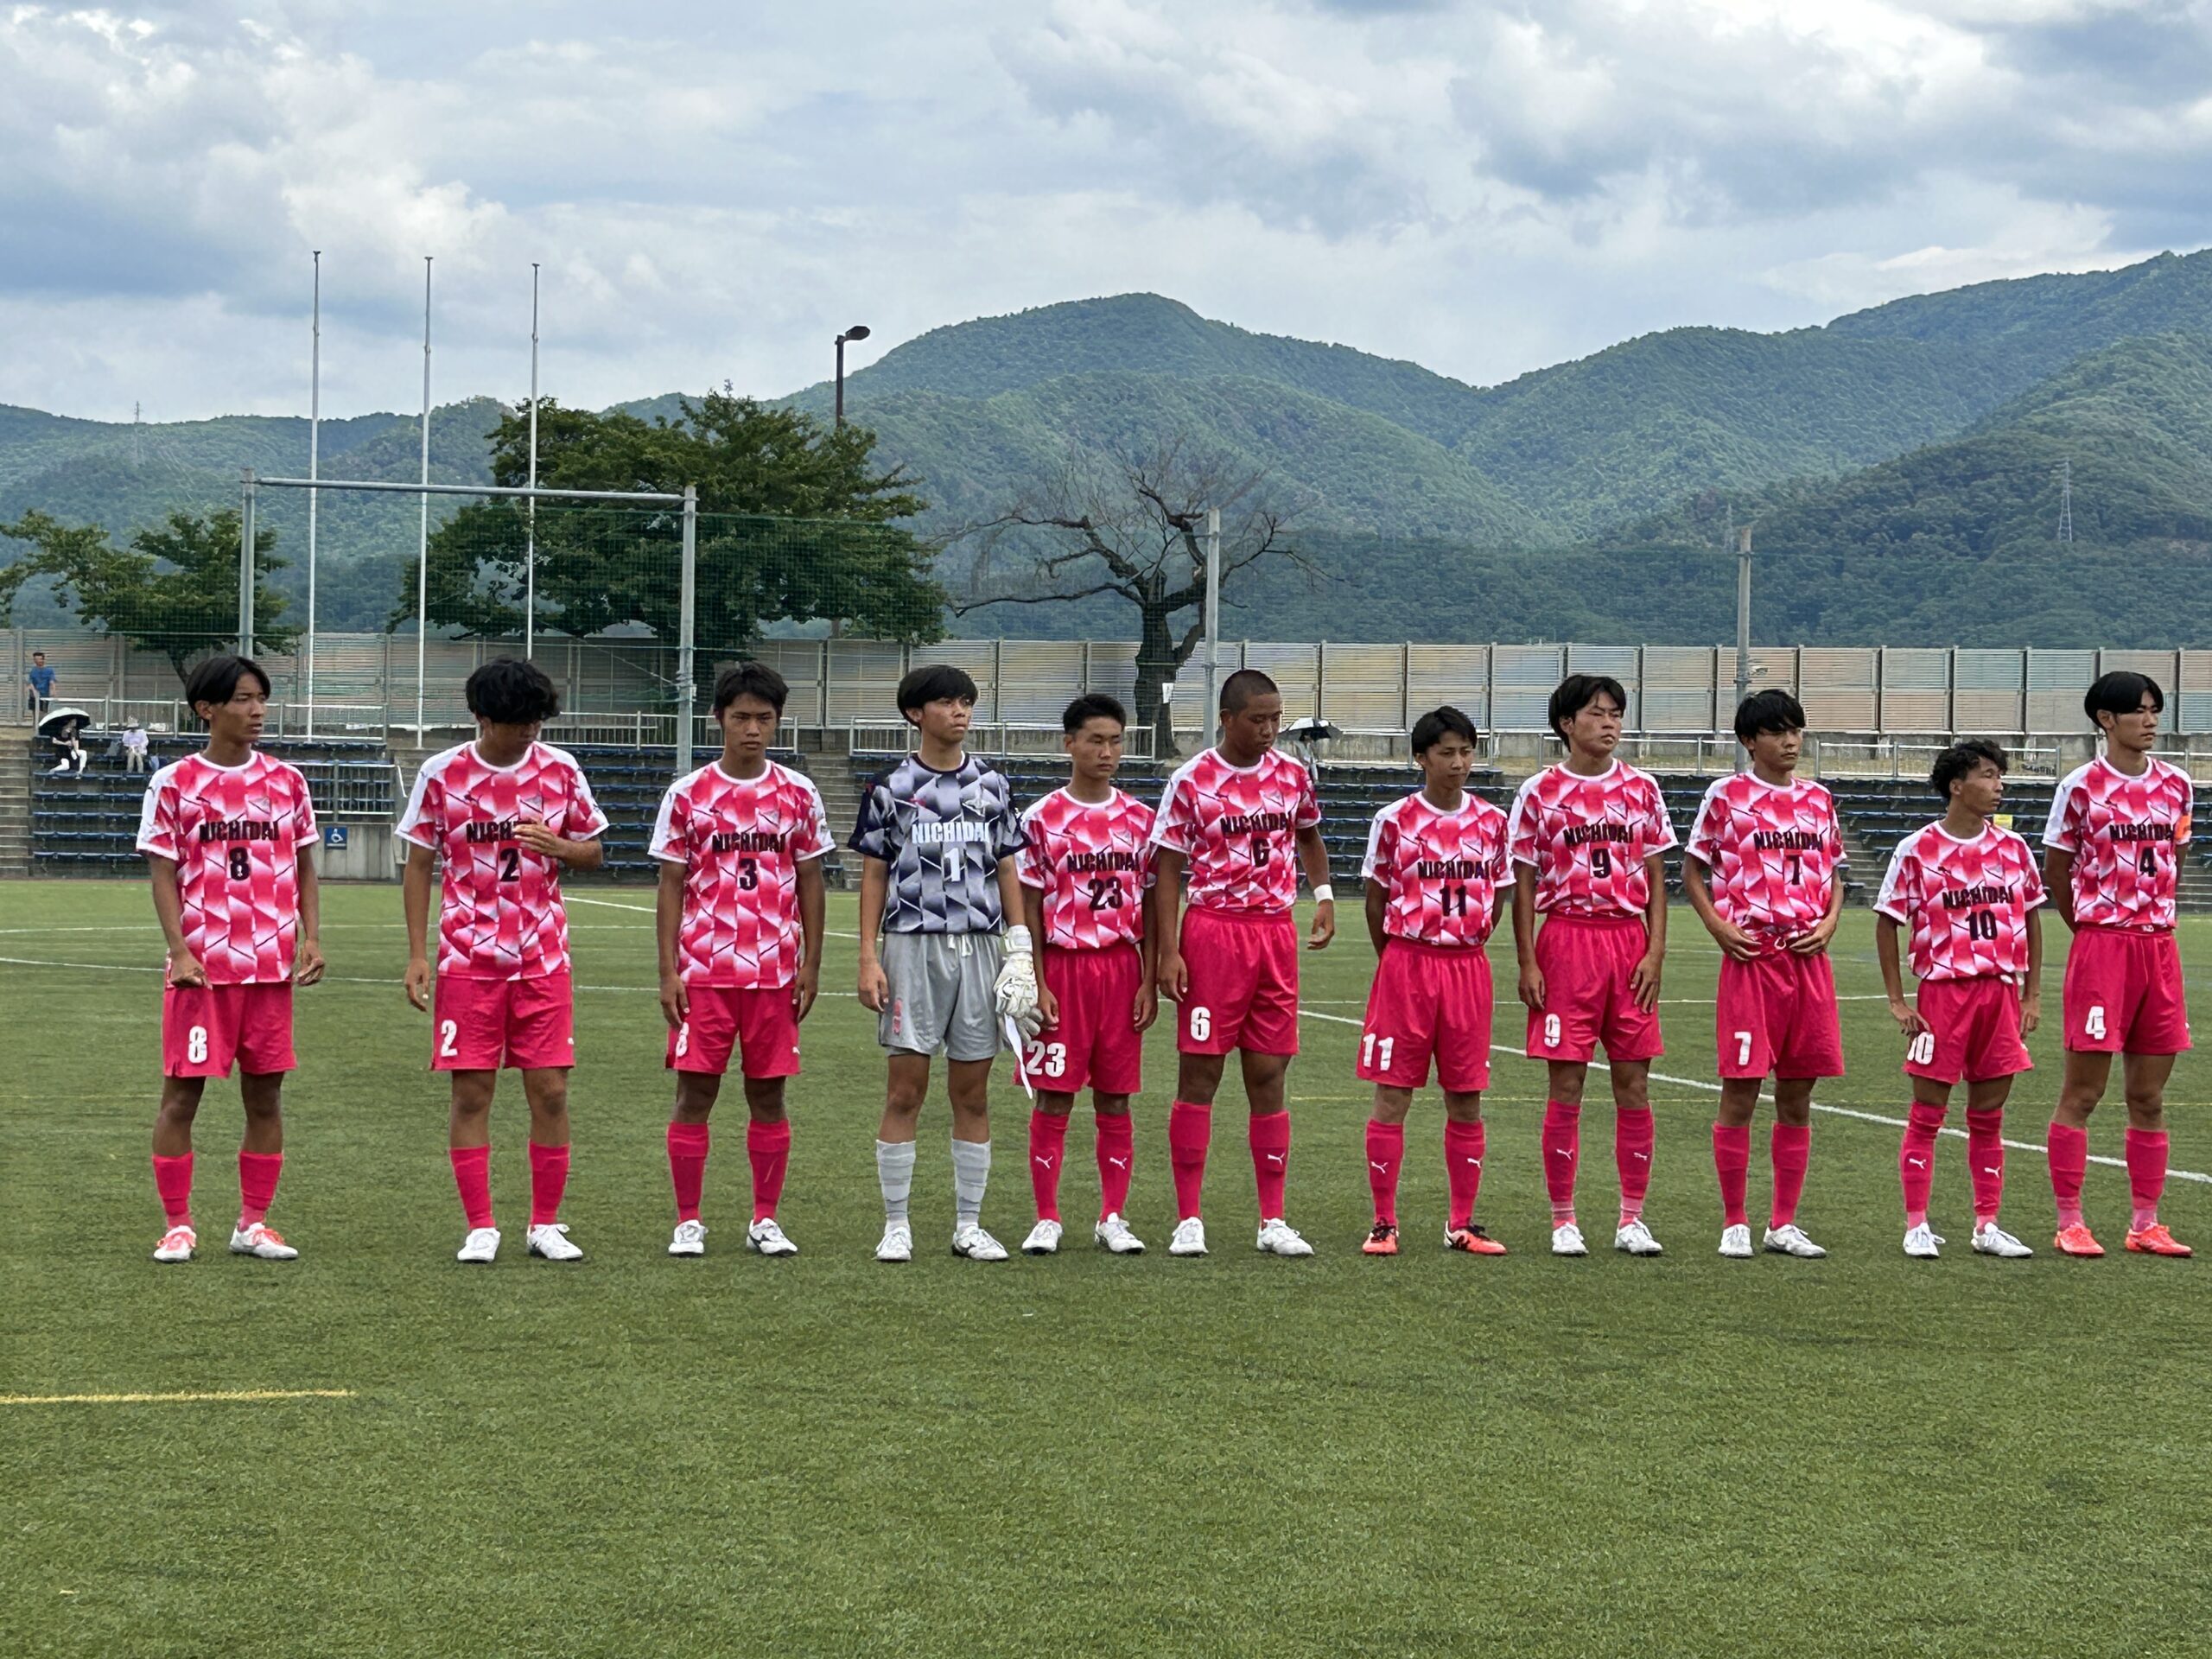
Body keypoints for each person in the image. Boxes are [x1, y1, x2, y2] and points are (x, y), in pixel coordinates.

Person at [399, 658, 607, 1264]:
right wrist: (418, 954)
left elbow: (593, 851)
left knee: (550, 1092)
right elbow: (418, 864)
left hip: (543, 957)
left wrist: (560, 845)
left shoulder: (560, 769)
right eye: (517, 723)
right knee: (471, 1094)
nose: (528, 734)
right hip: (467, 959)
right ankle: (480, 1225)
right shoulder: (443, 774)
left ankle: (545, 1224)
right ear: (482, 718)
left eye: (537, 723)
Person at [135, 654, 323, 1263]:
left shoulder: (287, 782)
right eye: (243, 699)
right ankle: (177, 1225)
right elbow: (163, 874)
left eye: (262, 699)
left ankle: (253, 1223)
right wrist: (179, 950)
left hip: (270, 967)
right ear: (207, 709)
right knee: (181, 1097)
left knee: (266, 1099)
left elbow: (305, 865)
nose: (258, 711)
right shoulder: (174, 783)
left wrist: (311, 938)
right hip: (203, 972)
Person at [851, 664, 1035, 1263]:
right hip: (913, 943)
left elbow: (1007, 866)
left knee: (973, 1092)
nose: (960, 713)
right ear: (915, 713)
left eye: (967, 703)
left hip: (980, 948)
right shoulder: (891, 787)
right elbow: (875, 872)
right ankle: (896, 1224)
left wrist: (1021, 946)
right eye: (948, 703)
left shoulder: (993, 785)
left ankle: (968, 1224)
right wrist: (867, 955)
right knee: (906, 1089)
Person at [1153, 667, 1335, 1258]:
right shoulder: (1193, 781)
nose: (1268, 730)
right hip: (1214, 934)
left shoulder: (1291, 775)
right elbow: (1168, 869)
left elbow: (1308, 836)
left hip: (1274, 935)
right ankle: (1188, 1218)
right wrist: (1169, 950)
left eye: (1276, 719)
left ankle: (1272, 1219)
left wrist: (1324, 896)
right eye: (1257, 720)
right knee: (1200, 1073)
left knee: (1269, 1074)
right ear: (1227, 719)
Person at [651, 663, 830, 1258]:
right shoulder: (688, 794)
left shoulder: (797, 793)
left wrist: (811, 964)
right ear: (718, 720)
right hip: (704, 974)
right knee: (695, 1094)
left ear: (777, 722)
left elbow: (810, 879)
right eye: (741, 718)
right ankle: (689, 1220)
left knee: (769, 1096)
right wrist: (668, 970)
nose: (752, 729)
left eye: (764, 718)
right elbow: (672, 884)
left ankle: (765, 1219)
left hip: (774, 972)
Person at [1508, 674, 1676, 1257]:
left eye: (1616, 714)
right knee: (1568, 1080)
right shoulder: (1538, 792)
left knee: (1634, 1081)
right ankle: (1563, 1219)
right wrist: (1528, 960)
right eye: (1597, 713)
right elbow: (1524, 883)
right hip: (1567, 944)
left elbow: (1656, 877)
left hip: (1627, 943)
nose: (1609, 723)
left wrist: (1655, 951)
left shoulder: (1643, 788)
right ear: (1567, 724)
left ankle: (1632, 1219)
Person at [1682, 690, 1844, 1260]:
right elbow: (1693, 869)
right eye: (1777, 732)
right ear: (1750, 741)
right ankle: (1734, 1221)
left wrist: (1828, 924)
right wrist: (1718, 928)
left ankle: (1783, 1222)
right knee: (1741, 1091)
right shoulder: (1727, 796)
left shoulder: (1819, 800)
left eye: (1796, 730)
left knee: (1798, 1094)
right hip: (1754, 959)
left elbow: (1835, 872)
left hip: (1808, 961)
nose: (1791, 741)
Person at [2041, 671, 2194, 1257]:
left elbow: (2176, 851)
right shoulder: (2081, 787)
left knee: (2149, 1097)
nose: (2150, 720)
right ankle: (2070, 1220)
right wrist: (2089, 928)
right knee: (2084, 1092)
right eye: (2139, 711)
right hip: (2103, 944)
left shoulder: (2179, 784)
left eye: (2155, 710)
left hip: (2160, 947)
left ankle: (2146, 1223)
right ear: (2106, 720)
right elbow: (2057, 869)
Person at [1875, 739, 2044, 1261]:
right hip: (1942, 997)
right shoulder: (1917, 849)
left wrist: (2031, 994)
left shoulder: (2013, 849)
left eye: (2000, 777)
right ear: (1956, 785)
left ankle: (1987, 1224)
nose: (1999, 786)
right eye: (1989, 776)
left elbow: (2033, 918)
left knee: (1990, 1115)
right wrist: (1898, 1001)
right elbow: (1887, 921)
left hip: (1999, 994)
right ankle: (1916, 1224)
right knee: (1928, 1110)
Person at [1356, 704, 1510, 1256]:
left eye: (1467, 752)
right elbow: (1375, 899)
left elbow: (1501, 893)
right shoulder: (1395, 820)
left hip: (1467, 969)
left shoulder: (1492, 822)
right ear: (1421, 757)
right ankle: (1384, 1222)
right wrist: (1396, 958)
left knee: (1466, 1097)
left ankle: (1462, 1223)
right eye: (1447, 753)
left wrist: (1469, 940)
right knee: (1393, 1093)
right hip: (1408, 964)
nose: (1459, 763)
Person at [1015, 693, 1159, 1255]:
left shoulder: (1140, 820)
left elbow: (1149, 908)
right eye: (1095, 740)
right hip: (1064, 968)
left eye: (1115, 741)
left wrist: (1148, 980)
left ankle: (1113, 1216)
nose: (1106, 751)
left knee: (1116, 1097)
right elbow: (1027, 904)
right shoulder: (1041, 819)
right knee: (1053, 1095)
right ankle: (1047, 1216)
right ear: (1068, 743)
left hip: (1120, 969)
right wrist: (1037, 979)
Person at [25, 650, 54, 715]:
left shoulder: (49, 670)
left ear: (43, 660)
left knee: (44, 713)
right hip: (34, 696)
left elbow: (52, 681)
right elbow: (30, 682)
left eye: (40, 659)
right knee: (35, 713)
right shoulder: (33, 671)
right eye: (36, 659)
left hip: (45, 695)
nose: (38, 661)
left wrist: (52, 691)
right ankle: (35, 724)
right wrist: (34, 691)